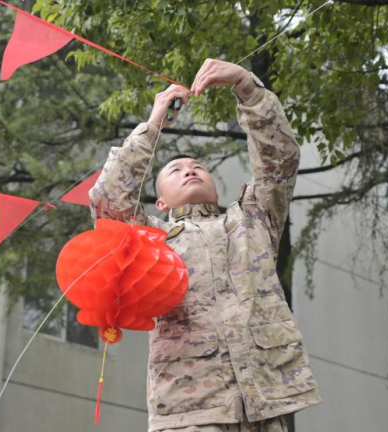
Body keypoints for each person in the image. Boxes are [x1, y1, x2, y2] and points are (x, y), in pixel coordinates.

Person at [89, 59, 321, 432]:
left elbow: (280, 159)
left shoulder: (252, 220)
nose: (189, 169)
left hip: (266, 406)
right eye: (175, 170)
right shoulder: (150, 240)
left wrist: (246, 84)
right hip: (190, 412)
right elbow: (108, 203)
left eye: (197, 165)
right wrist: (152, 128)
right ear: (160, 202)